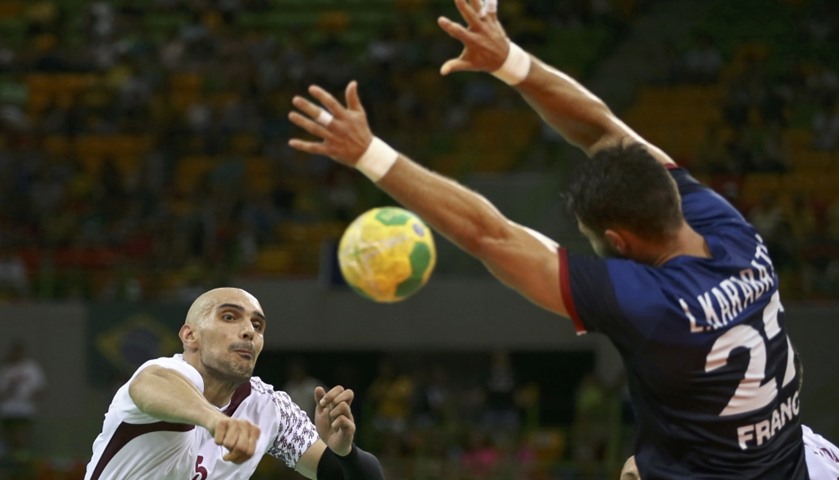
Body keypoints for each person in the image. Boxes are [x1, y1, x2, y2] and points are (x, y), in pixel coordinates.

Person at [287, 0, 839, 477]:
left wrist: (367, 152)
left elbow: (489, 235)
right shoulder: (732, 232)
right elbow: (603, 130)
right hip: (796, 460)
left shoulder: (650, 304)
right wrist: (510, 60)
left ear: (618, 241)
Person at [83, 287, 384, 480]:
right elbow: (150, 386)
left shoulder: (270, 408)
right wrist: (215, 420)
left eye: (257, 325)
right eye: (229, 317)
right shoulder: (166, 373)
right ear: (190, 336)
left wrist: (345, 454)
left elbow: (341, 476)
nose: (248, 332)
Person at [0, 341, 46, 458]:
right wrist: (11, 387)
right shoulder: (5, 369)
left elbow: (40, 388)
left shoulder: (31, 368)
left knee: (22, 436)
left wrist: (29, 395)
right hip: (8, 410)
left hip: (25, 410)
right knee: (10, 437)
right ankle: (10, 460)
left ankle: (23, 459)